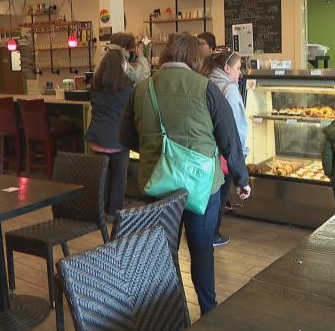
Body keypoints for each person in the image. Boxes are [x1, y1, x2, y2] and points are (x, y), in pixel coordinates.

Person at [119, 32, 251, 315]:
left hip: (157, 183)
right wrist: (241, 178)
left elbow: (126, 137)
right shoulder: (206, 88)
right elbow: (229, 140)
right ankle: (208, 310)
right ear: (196, 59)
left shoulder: (142, 89)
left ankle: (169, 315)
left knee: (163, 252)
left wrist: (158, 152)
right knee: (202, 251)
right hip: (202, 187)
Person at [85, 48, 134, 220]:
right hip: (118, 139)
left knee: (102, 177)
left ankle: (99, 209)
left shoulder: (94, 84)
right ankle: (113, 213)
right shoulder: (127, 86)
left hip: (97, 137)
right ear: (122, 64)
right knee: (118, 177)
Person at [207, 49, 248, 247]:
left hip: (208, 150)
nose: (240, 73)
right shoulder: (230, 89)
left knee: (211, 195)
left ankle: (207, 231)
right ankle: (213, 234)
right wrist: (242, 155)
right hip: (225, 152)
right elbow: (237, 126)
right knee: (221, 196)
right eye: (238, 68)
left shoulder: (206, 81)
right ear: (226, 68)